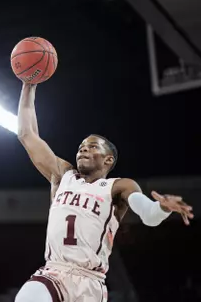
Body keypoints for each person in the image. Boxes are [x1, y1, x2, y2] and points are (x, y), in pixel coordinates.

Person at [14, 82, 194, 302]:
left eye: (92, 146)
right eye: (81, 146)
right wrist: (29, 84)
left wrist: (162, 208)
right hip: (54, 274)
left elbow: (148, 215)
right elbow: (26, 134)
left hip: (91, 284)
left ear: (108, 159)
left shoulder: (119, 186)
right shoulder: (64, 176)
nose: (83, 149)